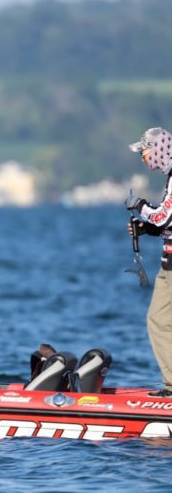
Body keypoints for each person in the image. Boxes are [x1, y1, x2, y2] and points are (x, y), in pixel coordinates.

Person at [126, 127, 172, 396]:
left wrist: (140, 205)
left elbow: (163, 217)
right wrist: (147, 229)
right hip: (168, 266)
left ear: (159, 150)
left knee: (157, 321)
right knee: (159, 321)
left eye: (145, 152)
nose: (143, 159)